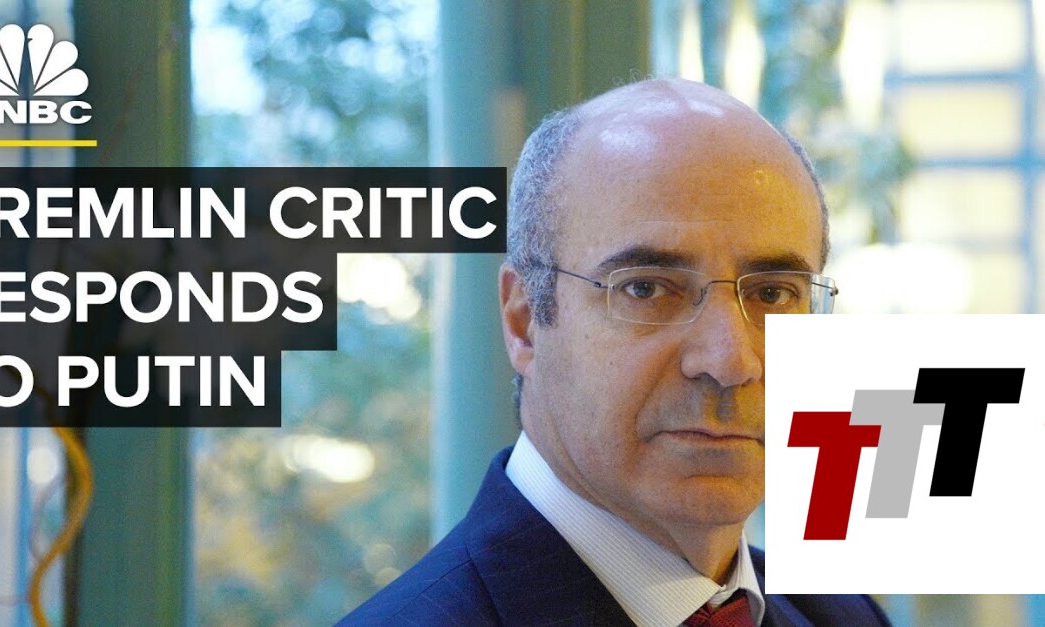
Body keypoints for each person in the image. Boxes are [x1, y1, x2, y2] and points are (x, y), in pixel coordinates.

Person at [339, 78, 890, 626]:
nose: (730, 362)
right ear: (524, 322)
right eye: (646, 289)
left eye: (773, 294)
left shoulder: (844, 616)